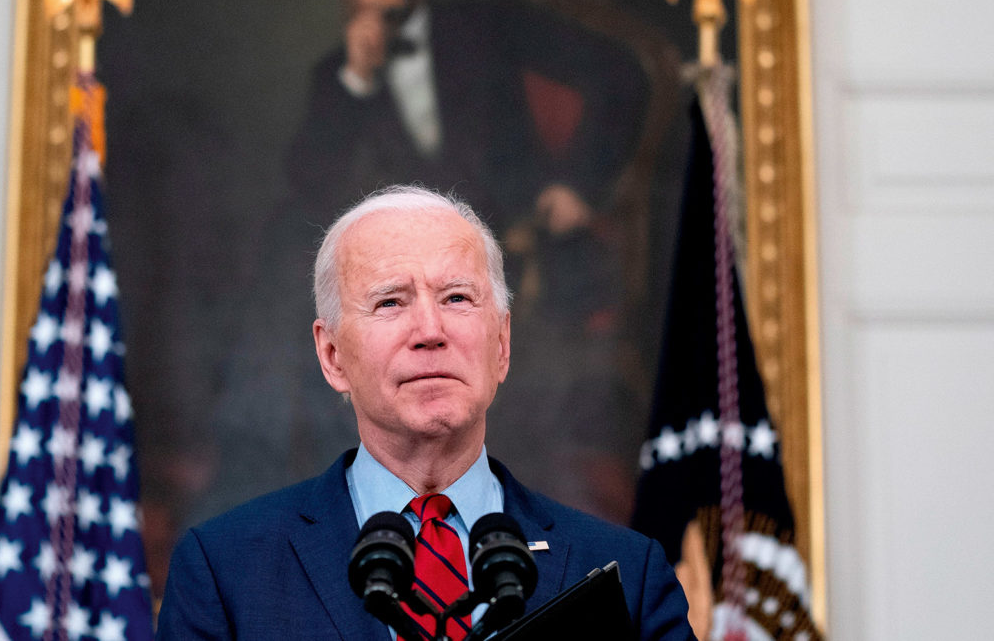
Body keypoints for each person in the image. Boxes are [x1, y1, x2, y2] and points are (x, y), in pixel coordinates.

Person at [156, 185, 696, 640]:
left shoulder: (632, 574)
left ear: (502, 343)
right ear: (332, 355)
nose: (430, 332)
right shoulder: (225, 572)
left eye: (457, 298)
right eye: (390, 302)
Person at [286, 0, 648, 242]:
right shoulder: (336, 75)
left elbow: (617, 73)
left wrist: (576, 183)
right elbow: (310, 190)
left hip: (517, 244)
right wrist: (358, 80)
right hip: (398, 258)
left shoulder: (488, 29)